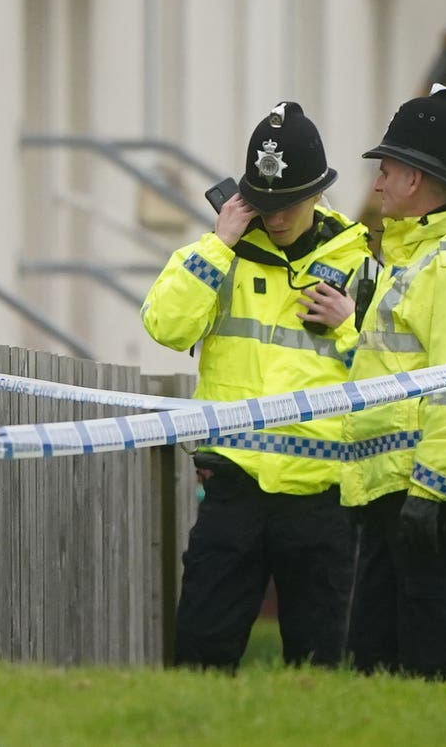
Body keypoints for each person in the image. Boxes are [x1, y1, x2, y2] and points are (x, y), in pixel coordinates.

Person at [142, 102, 373, 671]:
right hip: (234, 490)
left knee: (319, 668)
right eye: (263, 204)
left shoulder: (362, 266)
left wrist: (350, 327)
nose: (274, 218)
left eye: (287, 204)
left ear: (318, 193)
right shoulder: (223, 255)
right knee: (199, 656)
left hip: (322, 497)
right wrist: (218, 246)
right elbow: (166, 327)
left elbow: (394, 375)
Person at [339, 85, 446, 681]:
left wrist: (431, 491)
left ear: (414, 180)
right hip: (396, 492)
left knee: (439, 670)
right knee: (380, 668)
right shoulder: (413, 259)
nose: (378, 184)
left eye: (386, 171)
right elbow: (391, 369)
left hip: (431, 498)